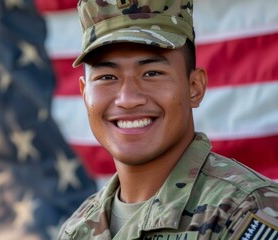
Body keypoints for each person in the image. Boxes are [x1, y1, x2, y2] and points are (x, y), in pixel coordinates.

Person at [57, 0, 278, 239]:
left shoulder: (247, 211)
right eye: (107, 76)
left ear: (194, 87)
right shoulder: (78, 229)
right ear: (84, 94)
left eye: (152, 74)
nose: (128, 99)